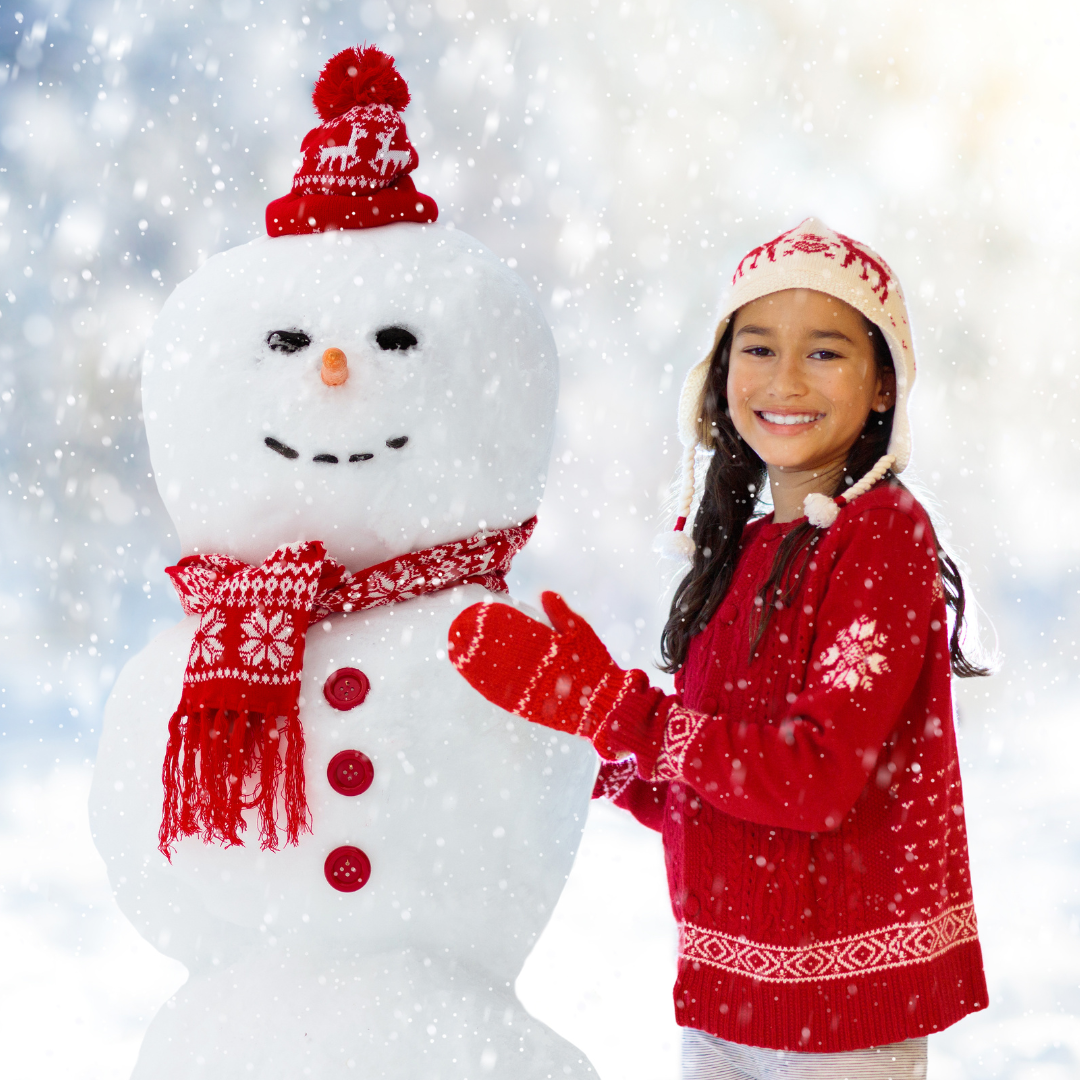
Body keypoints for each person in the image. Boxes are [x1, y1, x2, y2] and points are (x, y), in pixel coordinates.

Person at [447, 218, 989, 1079]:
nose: (785, 378)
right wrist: (584, 746)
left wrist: (621, 711)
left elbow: (814, 776)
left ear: (884, 383)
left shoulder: (883, 533)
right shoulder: (742, 549)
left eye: (825, 352)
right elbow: (718, 791)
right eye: (758, 347)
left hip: (841, 1021)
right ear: (719, 371)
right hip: (725, 1000)